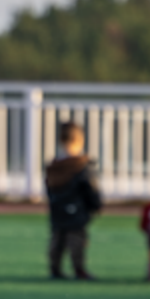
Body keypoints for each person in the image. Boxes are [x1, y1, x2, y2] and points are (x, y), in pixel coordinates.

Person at [45, 119, 102, 279]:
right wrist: (95, 204)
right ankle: (79, 268)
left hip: (57, 209)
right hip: (77, 210)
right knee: (77, 241)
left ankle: (54, 268)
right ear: (79, 140)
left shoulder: (54, 166)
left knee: (57, 240)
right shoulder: (81, 166)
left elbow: (49, 188)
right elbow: (90, 188)